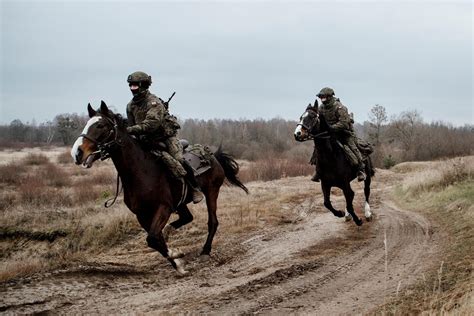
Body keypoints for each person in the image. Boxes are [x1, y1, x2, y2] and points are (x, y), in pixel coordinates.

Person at [125, 71, 204, 203]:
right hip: (146, 140)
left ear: (143, 85)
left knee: (179, 159)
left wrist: (129, 130)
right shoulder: (130, 106)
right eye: (130, 85)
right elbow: (131, 125)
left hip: (165, 138)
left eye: (135, 85)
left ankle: (195, 188)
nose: (132, 88)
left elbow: (151, 124)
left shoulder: (154, 103)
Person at [314, 87, 366, 182]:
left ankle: (360, 169)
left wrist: (331, 128)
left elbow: (344, 123)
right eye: (321, 97)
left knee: (352, 147)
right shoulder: (321, 108)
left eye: (323, 97)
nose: (322, 99)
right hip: (329, 134)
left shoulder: (340, 107)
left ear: (329, 97)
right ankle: (318, 171)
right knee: (318, 147)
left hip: (344, 133)